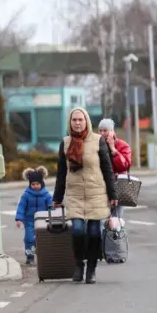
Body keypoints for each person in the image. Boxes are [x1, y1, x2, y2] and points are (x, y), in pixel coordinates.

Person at [53, 108, 118, 284]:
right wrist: (57, 198)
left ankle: (91, 267)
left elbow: (107, 169)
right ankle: (78, 263)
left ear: (86, 121)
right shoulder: (66, 143)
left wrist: (113, 194)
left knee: (94, 232)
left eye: (81, 119)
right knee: (78, 230)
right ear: (70, 122)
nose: (77, 123)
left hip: (96, 192)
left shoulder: (98, 141)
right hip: (74, 194)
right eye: (74, 120)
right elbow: (61, 172)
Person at [14, 166, 53, 265]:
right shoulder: (26, 195)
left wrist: (52, 215)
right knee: (29, 239)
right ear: (30, 184)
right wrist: (19, 218)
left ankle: (45, 256)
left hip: (43, 221)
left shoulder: (47, 195)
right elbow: (21, 207)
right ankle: (30, 256)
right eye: (33, 184)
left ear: (42, 183)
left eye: (37, 184)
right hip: (29, 221)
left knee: (44, 239)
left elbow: (51, 207)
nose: (35, 186)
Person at [98, 118, 132, 219]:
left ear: (112, 131)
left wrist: (113, 149)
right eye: (100, 131)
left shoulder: (123, 145)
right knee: (102, 219)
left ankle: (116, 234)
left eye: (105, 130)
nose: (102, 133)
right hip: (101, 186)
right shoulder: (97, 145)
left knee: (116, 218)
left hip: (118, 187)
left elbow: (124, 165)